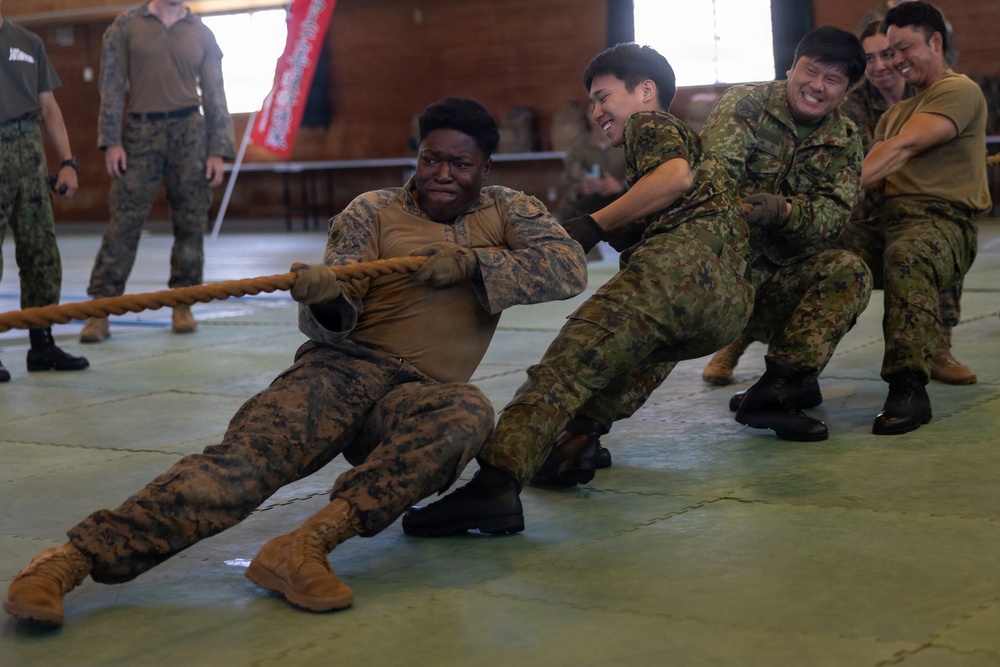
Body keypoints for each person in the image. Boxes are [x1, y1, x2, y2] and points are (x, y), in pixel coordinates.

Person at [2, 97, 588, 626]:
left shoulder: (509, 211)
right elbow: (335, 314)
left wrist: (472, 265)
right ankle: (69, 560)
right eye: (431, 159)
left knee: (466, 413)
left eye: (459, 165)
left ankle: (303, 546)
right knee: (240, 470)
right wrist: (327, 294)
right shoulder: (373, 211)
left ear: (485, 169)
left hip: (414, 396)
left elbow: (569, 267)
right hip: (339, 371)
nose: (441, 174)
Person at [401, 42, 753, 534]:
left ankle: (495, 488)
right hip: (727, 303)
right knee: (624, 362)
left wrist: (593, 225)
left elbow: (674, 178)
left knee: (566, 369)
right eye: (592, 102)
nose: (597, 111)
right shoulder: (681, 142)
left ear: (646, 91)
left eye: (604, 96)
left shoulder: (650, 126)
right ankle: (577, 443)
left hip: (675, 273)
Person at [699, 26, 873, 442]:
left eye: (832, 80)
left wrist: (787, 212)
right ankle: (582, 428)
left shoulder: (846, 139)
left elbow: (835, 215)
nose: (816, 86)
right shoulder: (747, 104)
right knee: (651, 338)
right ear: (792, 67)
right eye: (810, 71)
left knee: (849, 271)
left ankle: (776, 393)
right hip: (717, 268)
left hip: (777, 278)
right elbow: (714, 182)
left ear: (846, 92)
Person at [841, 1, 990, 435]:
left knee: (909, 254)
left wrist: (840, 186)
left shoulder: (959, 90)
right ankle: (791, 375)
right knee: (823, 256)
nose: (894, 60)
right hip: (890, 218)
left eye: (903, 48)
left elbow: (901, 149)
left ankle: (907, 387)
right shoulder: (892, 113)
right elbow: (874, 176)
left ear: (936, 41)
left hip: (945, 221)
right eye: (888, 52)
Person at [78, 0, 236, 343]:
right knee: (124, 222)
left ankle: (183, 303)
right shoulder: (125, 26)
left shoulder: (202, 33)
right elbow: (112, 87)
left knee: (191, 223)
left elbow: (214, 94)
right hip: (140, 133)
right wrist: (111, 141)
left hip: (191, 132)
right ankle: (100, 310)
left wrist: (219, 150)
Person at [0, 0, 90, 383]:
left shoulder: (28, 41)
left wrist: (68, 161)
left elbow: (48, 106)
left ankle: (42, 343)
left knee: (41, 250)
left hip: (30, 151)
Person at [557, 110, 628, 261]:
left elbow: (645, 179)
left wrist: (621, 186)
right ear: (588, 116)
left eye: (604, 111)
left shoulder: (626, 141)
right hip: (590, 202)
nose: (598, 116)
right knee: (567, 206)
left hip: (622, 200)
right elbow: (567, 183)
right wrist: (581, 187)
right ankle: (576, 251)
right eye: (592, 111)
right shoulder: (579, 148)